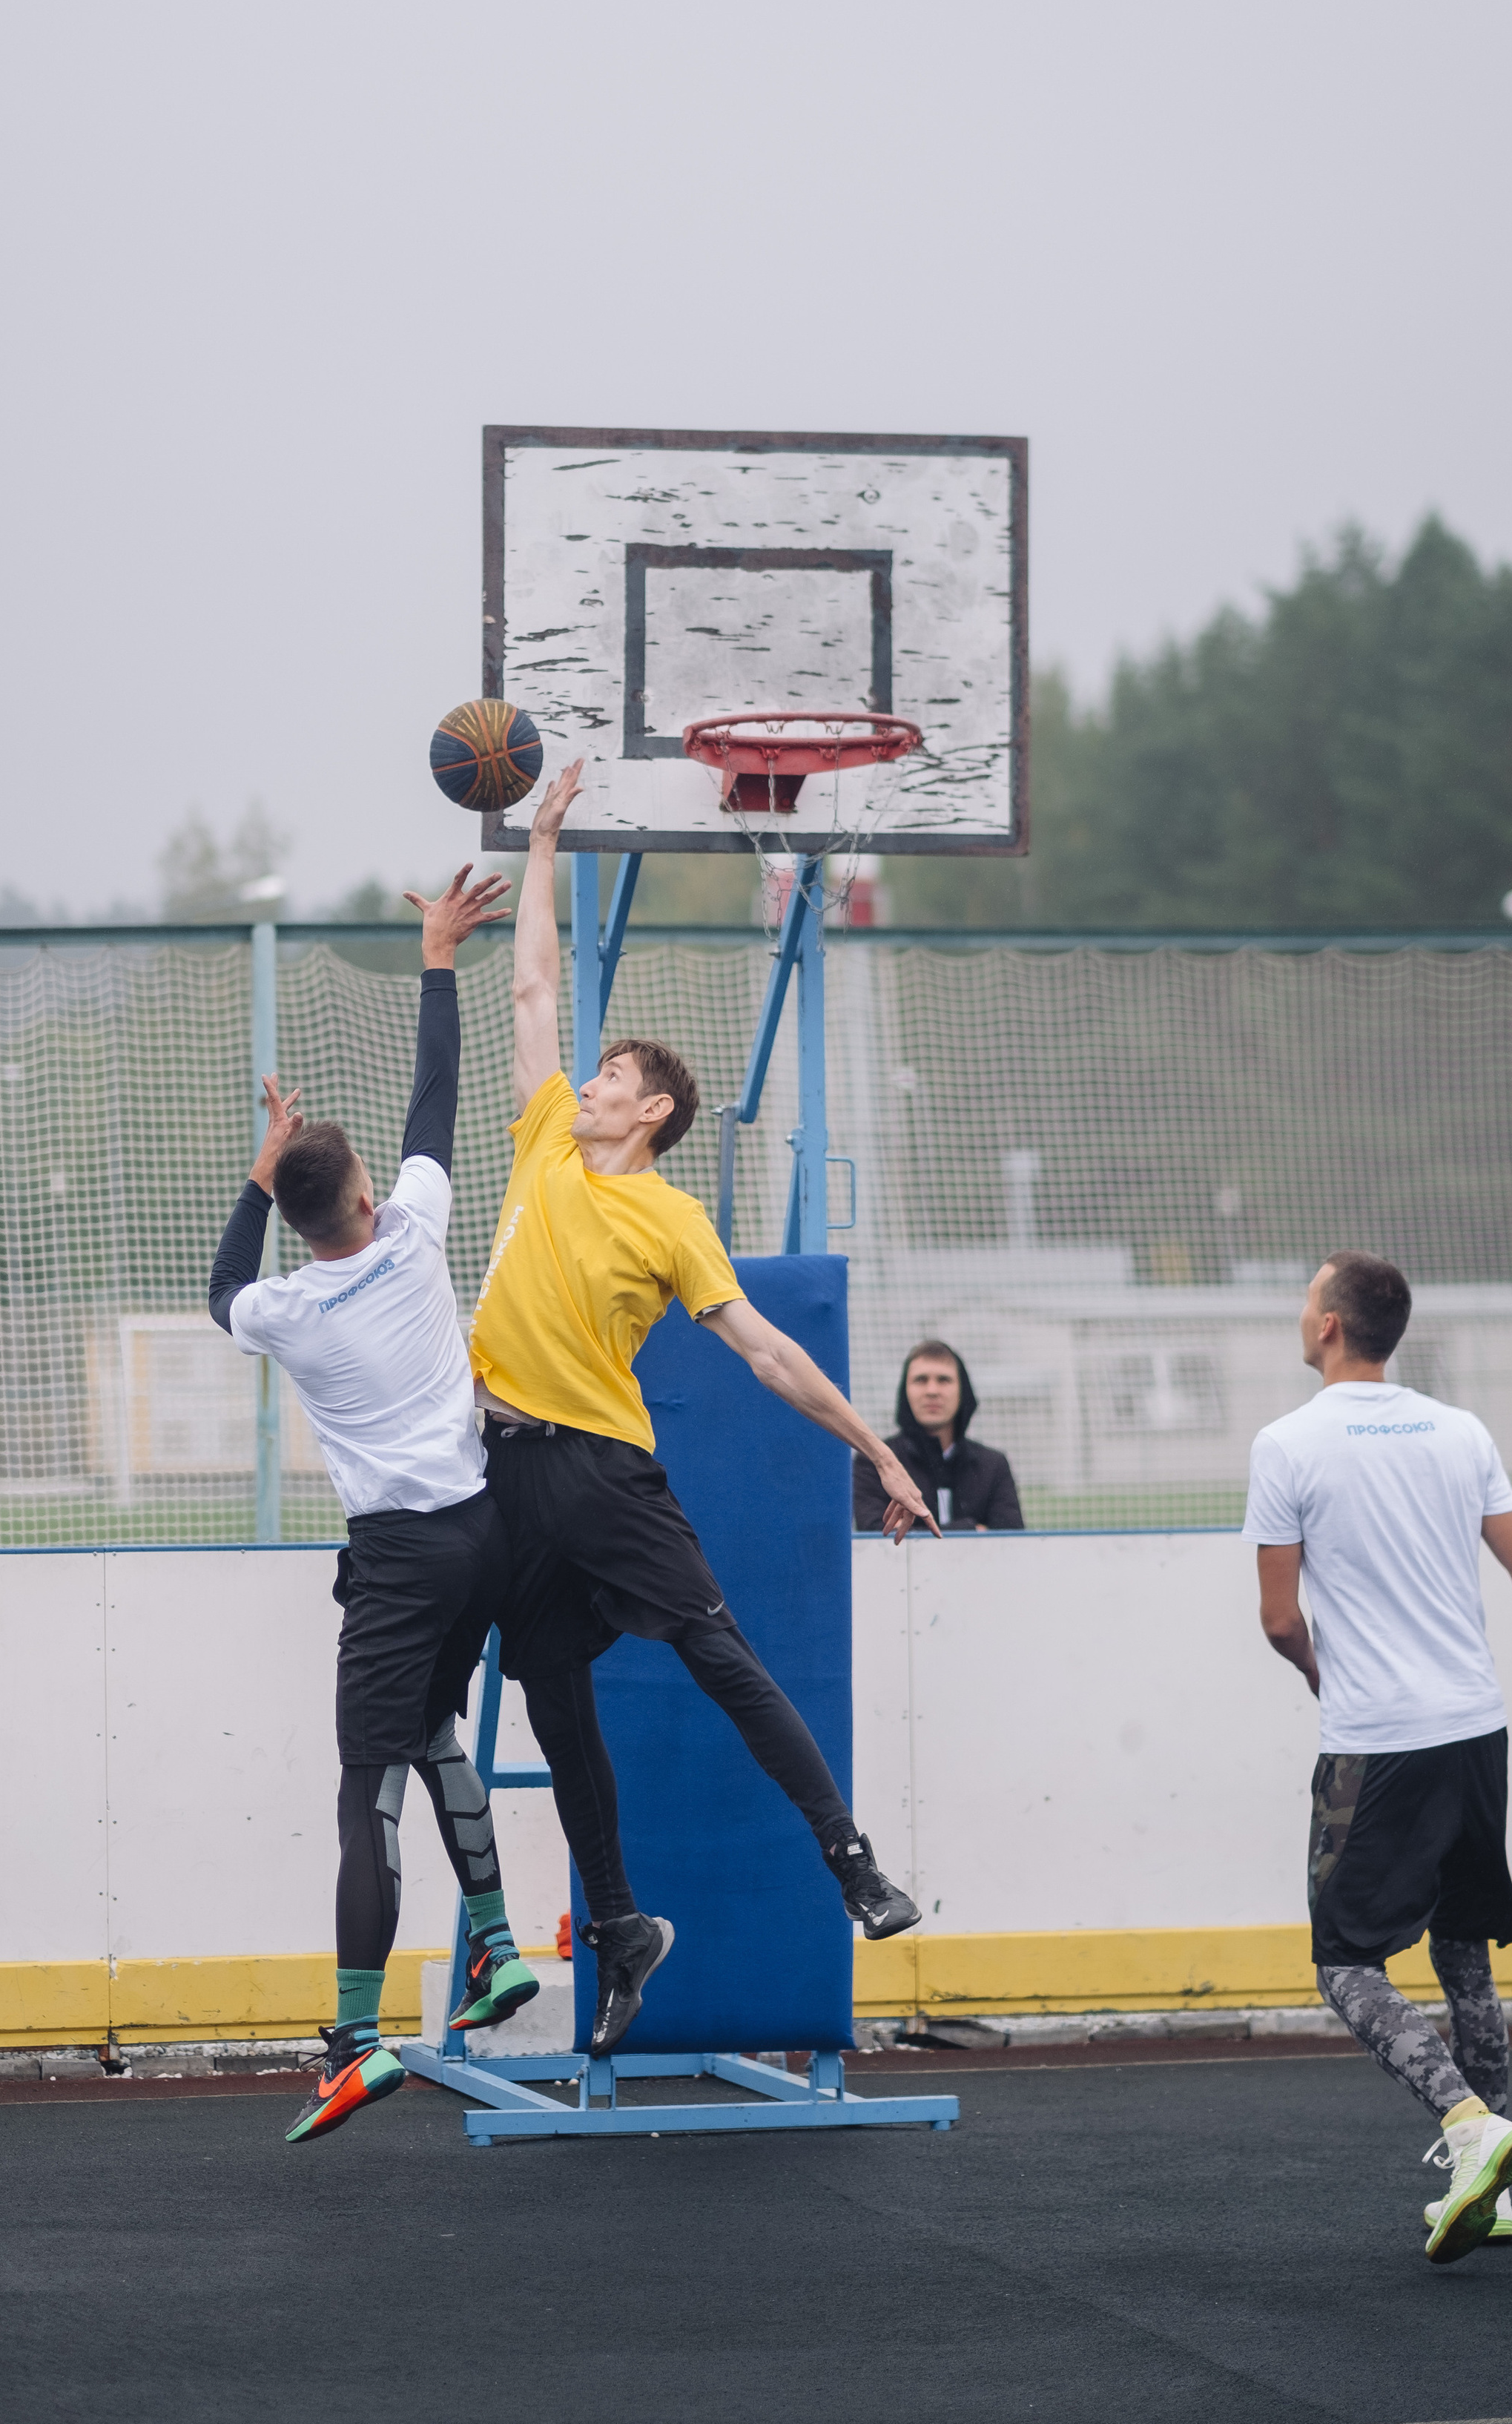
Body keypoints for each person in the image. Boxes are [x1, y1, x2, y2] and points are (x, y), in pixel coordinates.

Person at [466, 763, 940, 2060]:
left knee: (722, 1660)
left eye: (614, 1074)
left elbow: (769, 1353)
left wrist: (874, 1445)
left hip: (606, 1475)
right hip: (507, 1475)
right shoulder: (546, 1139)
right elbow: (531, 984)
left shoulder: (670, 1217)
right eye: (596, 1071)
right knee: (555, 1704)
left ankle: (851, 1864)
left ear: (654, 1107)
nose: (595, 1079)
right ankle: (620, 1925)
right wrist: (544, 839)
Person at [208, 864, 536, 2144]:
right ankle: (500, 1946)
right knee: (431, 1734)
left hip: (397, 1561)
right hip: (484, 1537)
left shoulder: (283, 1307)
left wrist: (255, 1169)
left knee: (364, 1788)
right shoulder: (415, 1232)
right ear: (362, 1198)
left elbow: (218, 1288)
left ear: (297, 1220)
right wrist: (440, 956)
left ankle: (356, 2039)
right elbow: (437, 1098)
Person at [1244, 1249, 1512, 2263]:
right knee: (1462, 1948)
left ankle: (1469, 2126)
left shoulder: (1286, 1443)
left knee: (1346, 1963)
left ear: (1329, 1328)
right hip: (1475, 1728)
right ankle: (1496, 2192)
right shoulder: (1460, 1430)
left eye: (1307, 1297)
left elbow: (1275, 1620)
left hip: (1378, 1741)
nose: (1303, 1311)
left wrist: (1321, 1671)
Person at [853, 1340, 1023, 1535]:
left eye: (944, 1380)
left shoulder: (993, 1466)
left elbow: (1011, 1541)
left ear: (962, 1391)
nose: (932, 1391)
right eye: (921, 1380)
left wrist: (911, 1530)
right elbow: (876, 1536)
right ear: (905, 1391)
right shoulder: (876, 1463)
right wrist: (971, 1529)